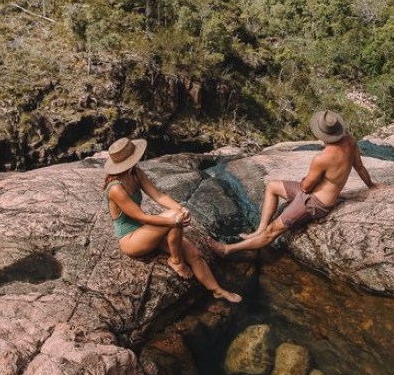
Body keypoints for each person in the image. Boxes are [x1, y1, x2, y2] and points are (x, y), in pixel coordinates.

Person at [213, 110, 376, 257]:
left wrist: (306, 182)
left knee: (272, 232)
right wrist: (371, 186)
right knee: (272, 186)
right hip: (315, 195)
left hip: (314, 203)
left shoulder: (322, 158)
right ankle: (260, 229)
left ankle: (227, 250)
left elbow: (306, 187)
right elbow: (360, 167)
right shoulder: (350, 141)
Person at [103, 136, 242, 302]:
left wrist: (179, 208)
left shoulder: (136, 173)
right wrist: (173, 220)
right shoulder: (115, 188)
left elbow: (158, 195)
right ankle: (176, 261)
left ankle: (218, 290)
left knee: (194, 254)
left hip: (147, 231)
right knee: (174, 219)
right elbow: (140, 216)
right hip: (131, 239)